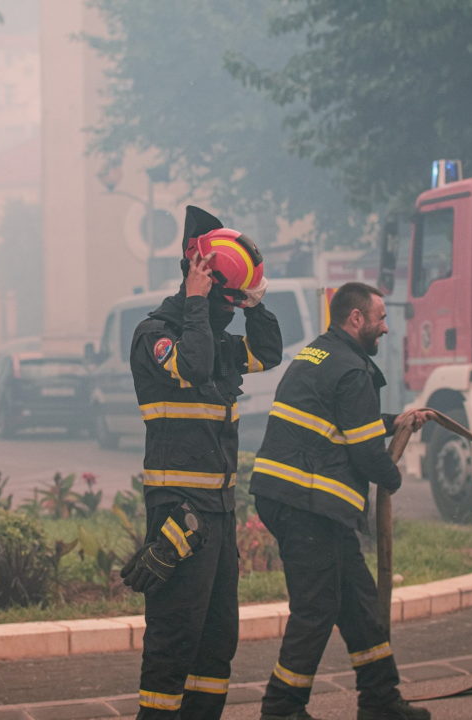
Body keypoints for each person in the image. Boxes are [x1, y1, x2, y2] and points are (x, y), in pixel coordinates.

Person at [121, 206, 283, 720]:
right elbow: (191, 366)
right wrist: (195, 300)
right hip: (179, 511)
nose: (229, 311)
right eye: (227, 301)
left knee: (216, 641)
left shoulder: (215, 340)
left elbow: (269, 353)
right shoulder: (155, 335)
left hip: (218, 512)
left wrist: (255, 303)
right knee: (174, 639)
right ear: (202, 285)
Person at [250, 282, 432, 720]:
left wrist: (395, 421)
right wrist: (393, 477)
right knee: (316, 608)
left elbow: (347, 420)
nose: (385, 328)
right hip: (309, 505)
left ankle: (380, 699)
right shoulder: (352, 370)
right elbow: (366, 452)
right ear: (356, 318)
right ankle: (281, 708)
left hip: (295, 500)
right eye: (381, 318)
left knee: (358, 601)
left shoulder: (318, 354)